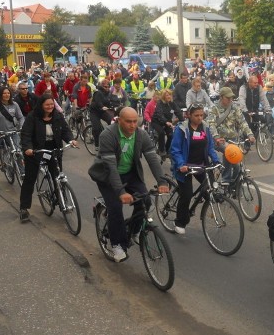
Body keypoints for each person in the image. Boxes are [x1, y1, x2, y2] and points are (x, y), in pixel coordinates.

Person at [89, 107, 169, 262]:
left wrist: (162, 181)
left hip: (130, 174)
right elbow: (111, 167)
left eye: (135, 121)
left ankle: (135, 232)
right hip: (107, 176)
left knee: (146, 201)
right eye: (128, 122)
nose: (133, 125)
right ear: (119, 120)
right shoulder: (108, 135)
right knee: (115, 207)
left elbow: (152, 158)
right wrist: (120, 192)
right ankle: (117, 244)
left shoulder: (141, 134)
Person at [19, 94, 78, 222]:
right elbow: (26, 134)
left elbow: (65, 130)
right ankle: (24, 208)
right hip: (36, 150)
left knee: (57, 176)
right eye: (47, 104)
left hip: (53, 149)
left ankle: (62, 202)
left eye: (52, 104)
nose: (50, 106)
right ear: (41, 105)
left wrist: (71, 140)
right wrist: (28, 148)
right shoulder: (32, 117)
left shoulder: (57, 115)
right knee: (30, 178)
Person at [169, 104, 220, 235]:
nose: (199, 118)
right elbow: (175, 150)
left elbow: (209, 147)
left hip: (201, 165)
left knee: (211, 188)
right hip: (185, 167)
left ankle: (195, 205)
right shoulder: (181, 129)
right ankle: (180, 222)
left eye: (201, 115)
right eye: (196, 115)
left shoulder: (205, 127)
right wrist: (181, 165)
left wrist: (216, 160)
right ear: (189, 115)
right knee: (186, 194)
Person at [208, 86, 255, 183]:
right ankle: (226, 180)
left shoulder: (234, 107)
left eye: (231, 98)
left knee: (238, 163)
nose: (230, 100)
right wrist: (216, 137)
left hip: (233, 139)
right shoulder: (214, 108)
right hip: (219, 140)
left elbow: (242, 122)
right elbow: (211, 124)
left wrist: (250, 134)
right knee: (229, 153)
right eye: (228, 98)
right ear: (221, 97)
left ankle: (234, 185)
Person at [89, 79, 115, 151]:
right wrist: (101, 106)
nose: (107, 88)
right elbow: (98, 102)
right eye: (105, 87)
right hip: (95, 112)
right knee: (96, 128)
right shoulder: (97, 92)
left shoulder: (109, 93)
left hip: (103, 112)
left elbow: (112, 100)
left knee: (112, 122)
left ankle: (111, 139)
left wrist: (117, 105)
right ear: (101, 86)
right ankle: (97, 144)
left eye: (108, 87)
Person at [151, 89, 175, 156]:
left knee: (171, 135)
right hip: (157, 122)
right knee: (161, 133)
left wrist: (182, 119)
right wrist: (166, 122)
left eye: (170, 94)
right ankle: (162, 150)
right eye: (167, 95)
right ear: (163, 96)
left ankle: (167, 150)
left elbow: (177, 111)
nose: (169, 96)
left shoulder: (172, 103)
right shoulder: (160, 103)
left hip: (167, 122)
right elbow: (159, 114)